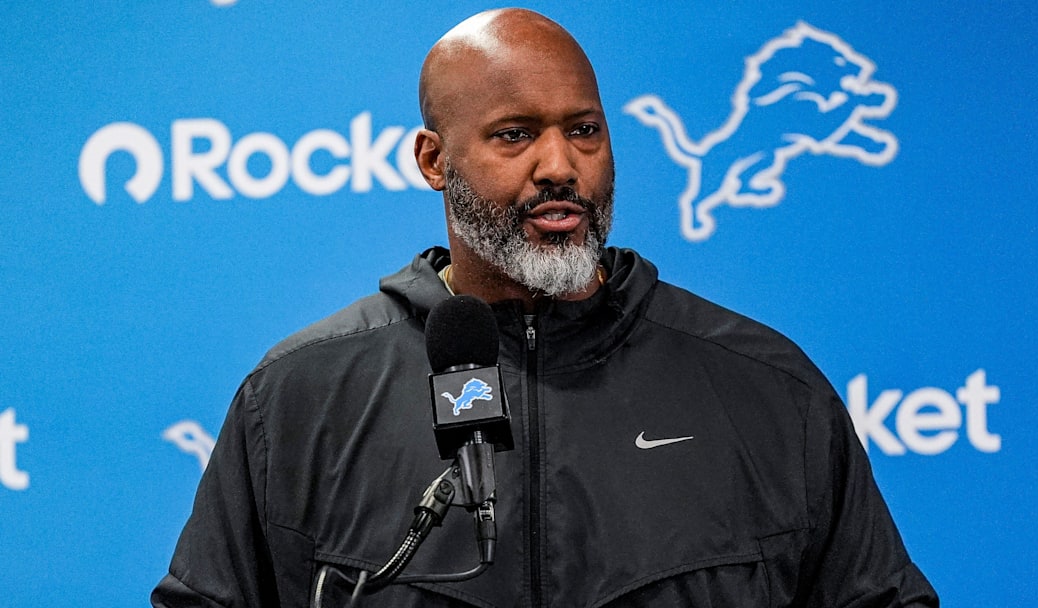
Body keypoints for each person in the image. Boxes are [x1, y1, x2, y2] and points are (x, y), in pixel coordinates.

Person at [152, 8, 938, 607]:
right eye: (515, 134)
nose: (560, 166)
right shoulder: (298, 396)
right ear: (434, 160)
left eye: (584, 132)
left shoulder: (766, 388)